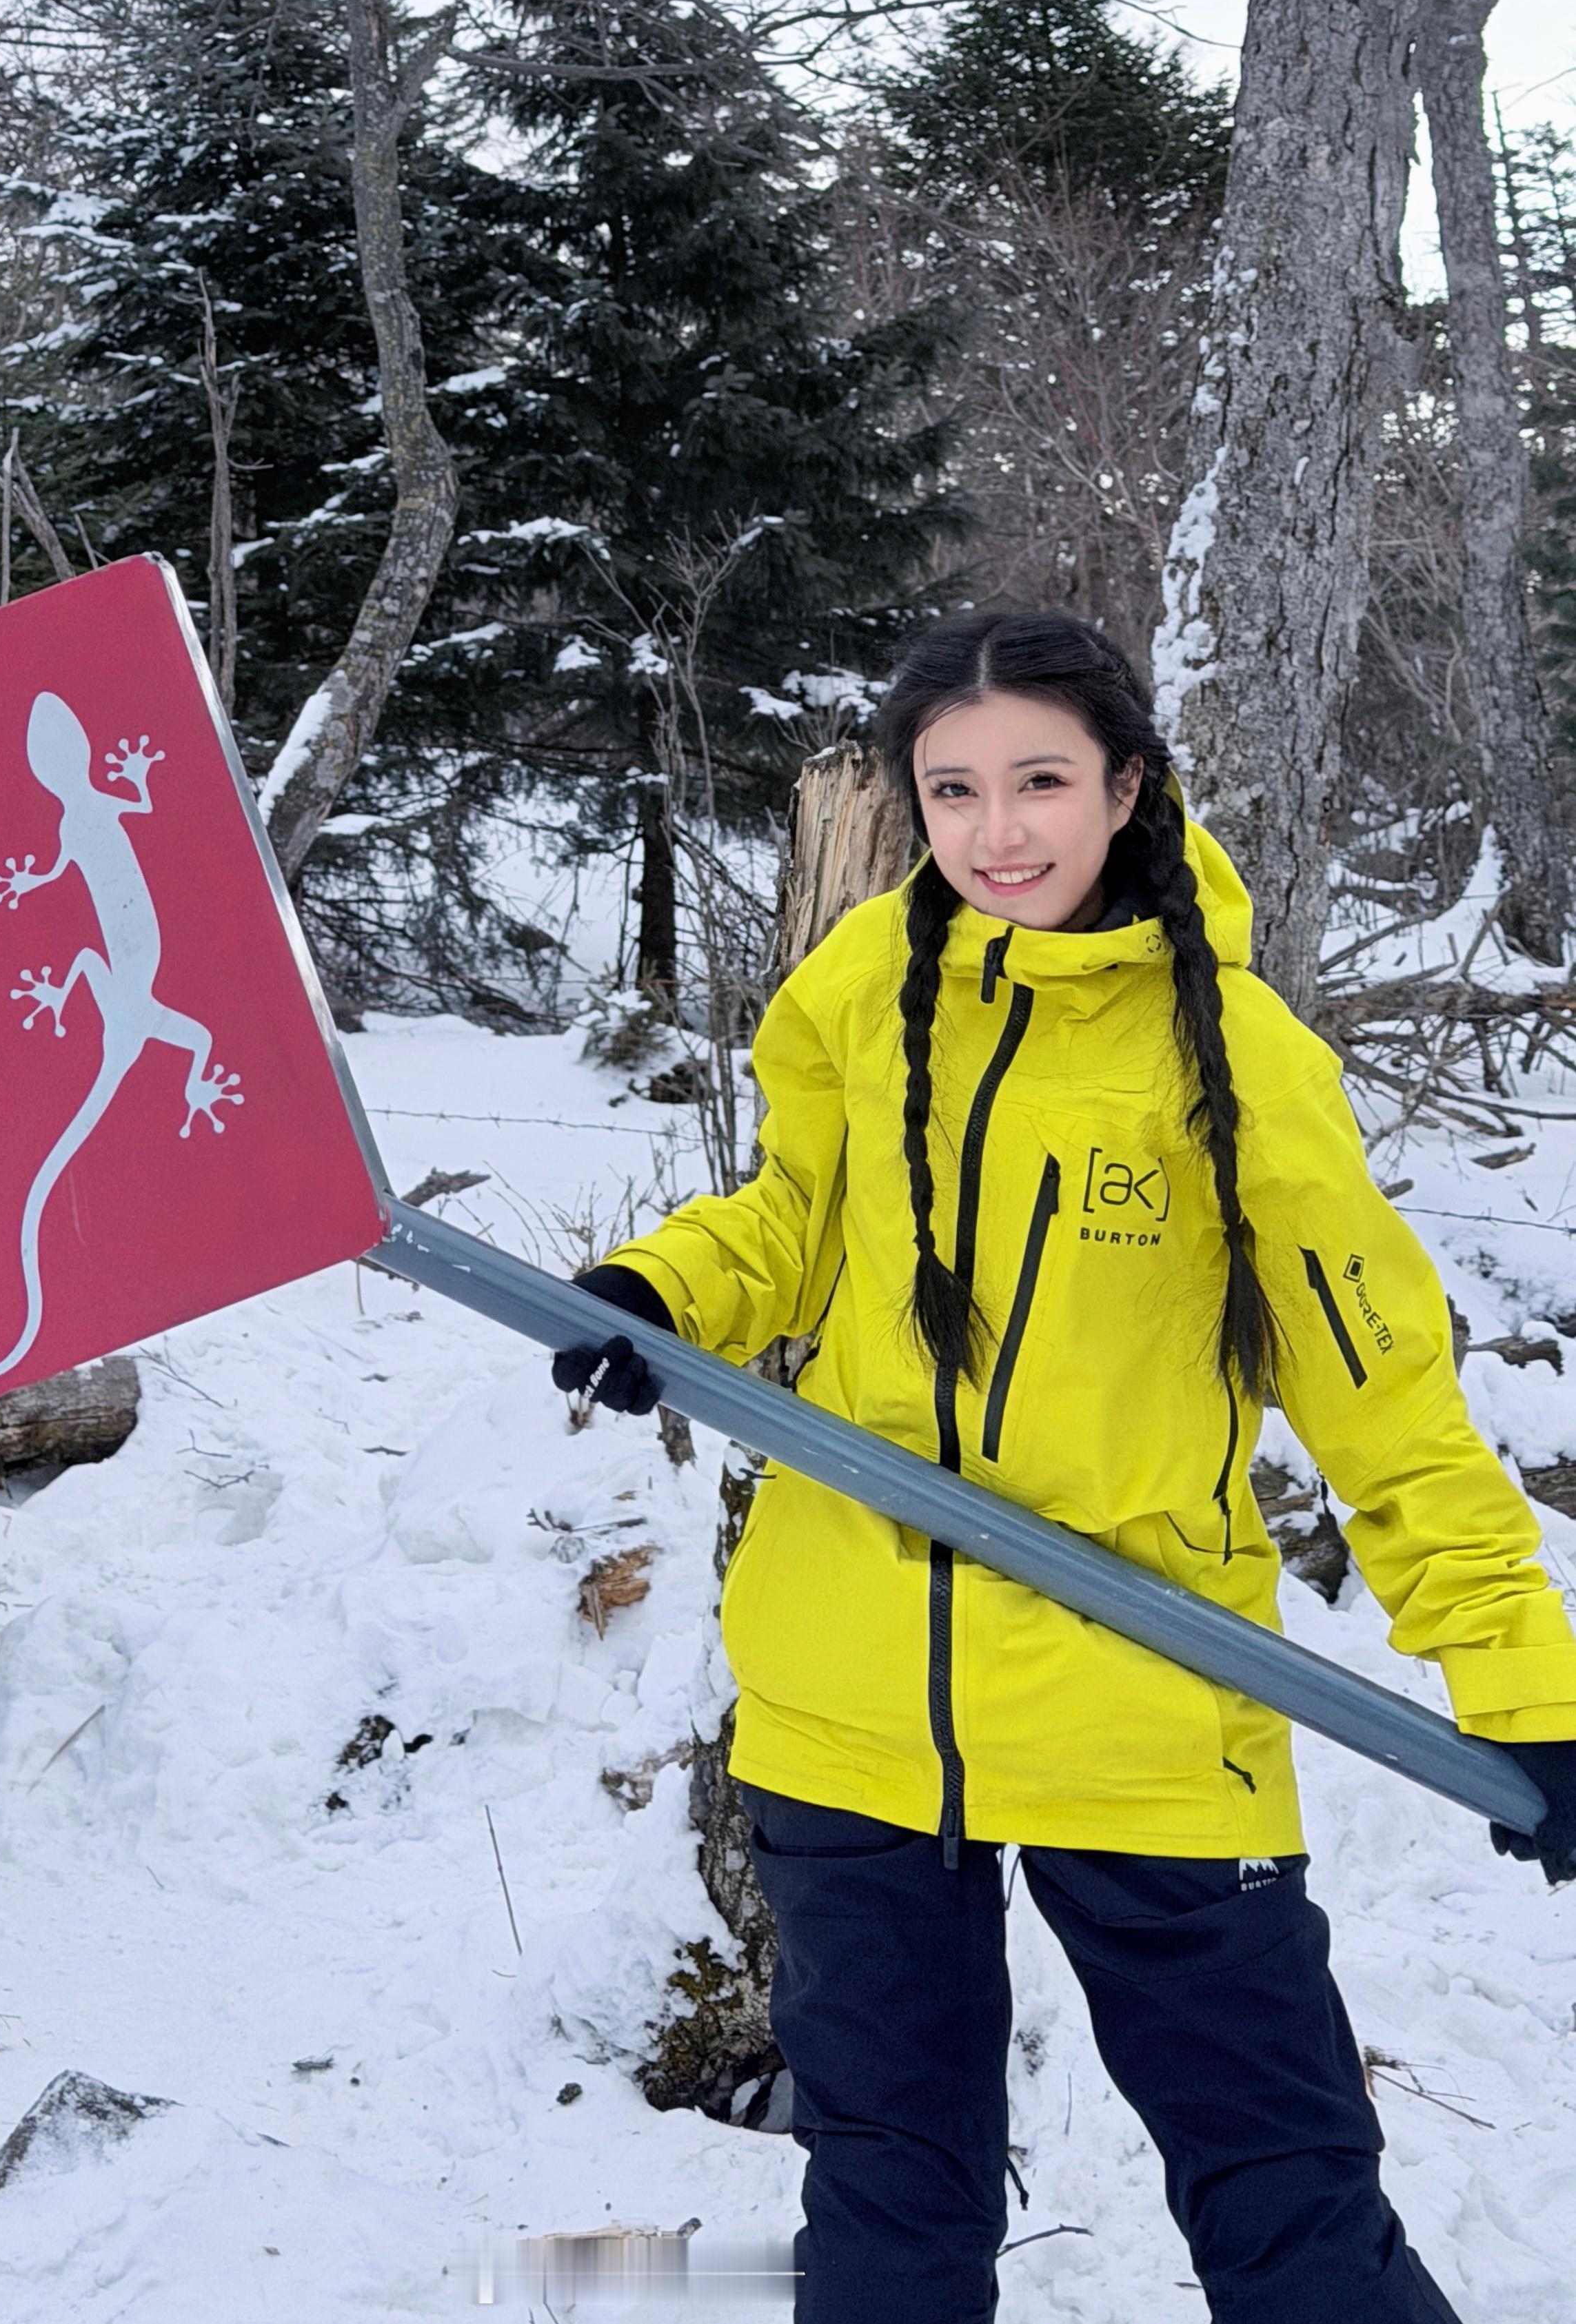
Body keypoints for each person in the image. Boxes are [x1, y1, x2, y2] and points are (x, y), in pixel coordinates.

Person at [551, 613, 1576, 2324]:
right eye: (951, 790)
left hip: (1148, 1701)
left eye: (1040, 780)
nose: (996, 830)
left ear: (1128, 789)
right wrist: (669, 1284)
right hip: (849, 1712)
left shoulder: (1235, 1057)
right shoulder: (863, 990)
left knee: (1291, 2213)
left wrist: (1516, 1671)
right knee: (886, 2210)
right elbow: (801, 1220)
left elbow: (1379, 1390)